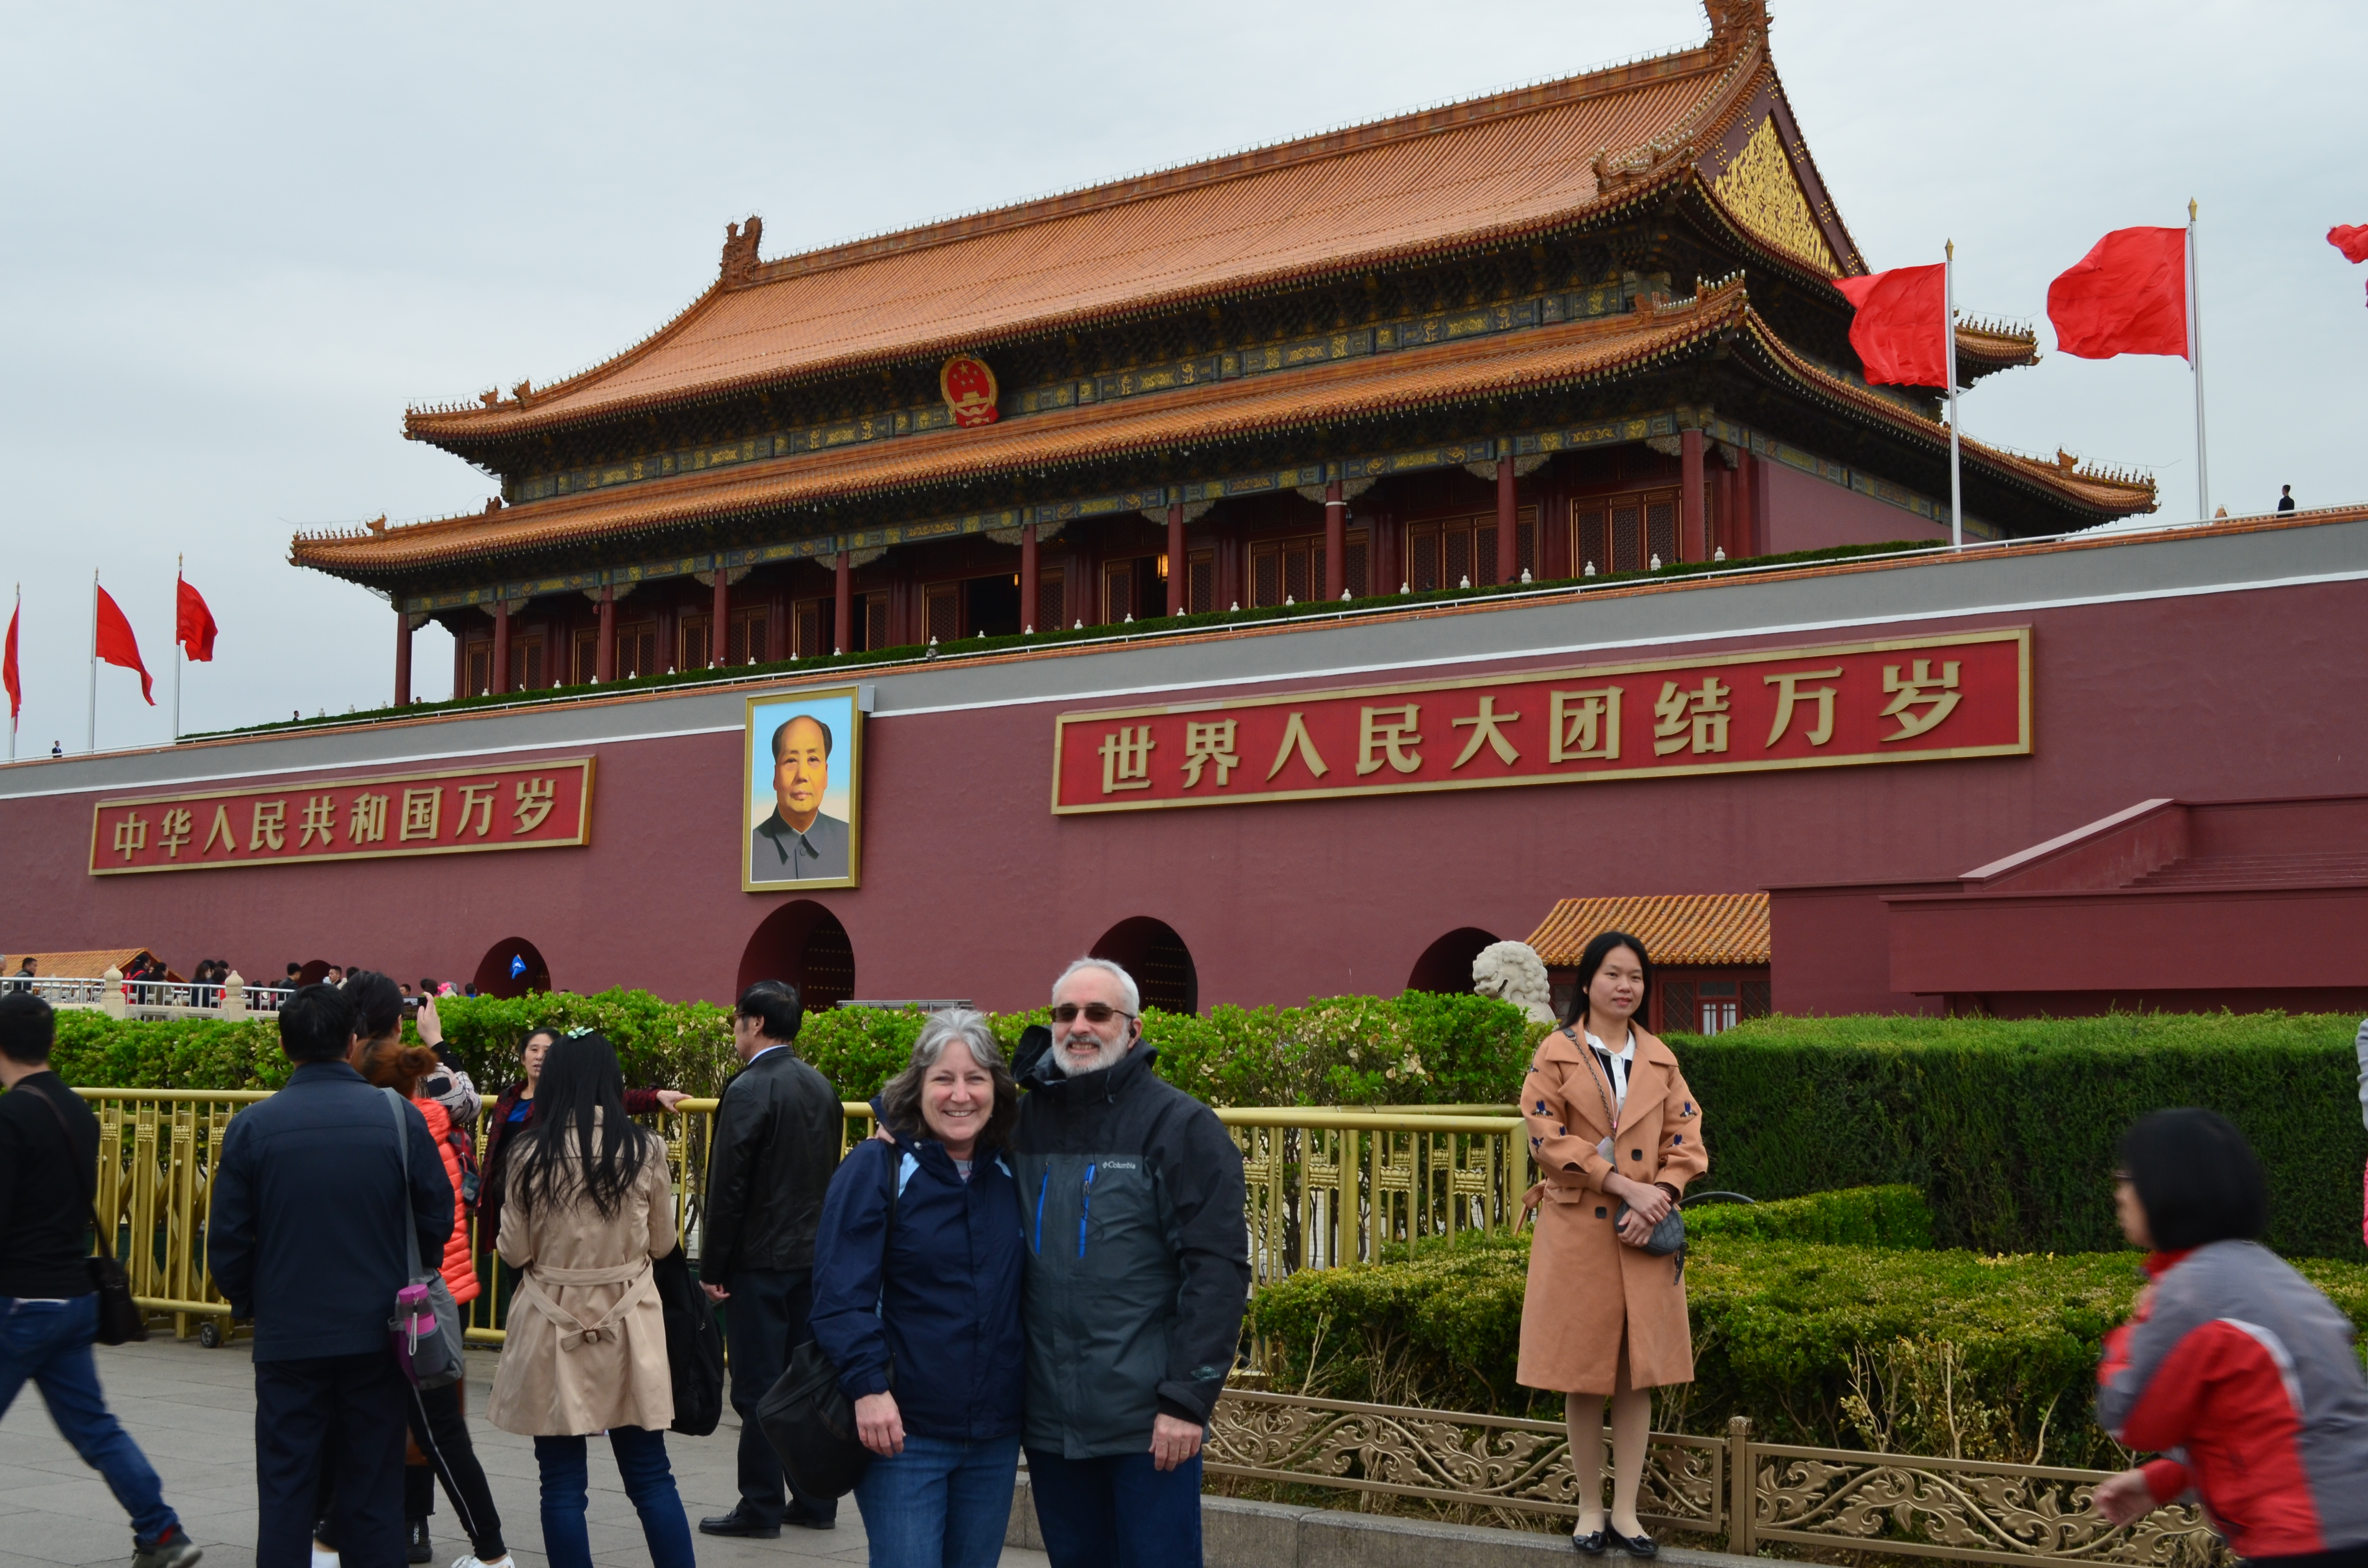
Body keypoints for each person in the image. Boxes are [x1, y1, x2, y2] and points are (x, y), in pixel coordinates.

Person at [1008, 958, 1247, 1568]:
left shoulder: (1180, 1126)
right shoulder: (1021, 1122)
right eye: (1065, 1013)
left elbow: (1216, 1274)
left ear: (1133, 1029)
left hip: (1148, 1426)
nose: (1079, 1026)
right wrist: (893, 1129)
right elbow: (943, 1123)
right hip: (1050, 1425)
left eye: (1098, 1013)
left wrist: (1186, 1403)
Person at [207, 982, 453, 1568]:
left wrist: (253, 1302)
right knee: (371, 1489)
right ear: (350, 1041)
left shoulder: (253, 1127)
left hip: (289, 1334)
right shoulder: (398, 1118)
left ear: (285, 1046)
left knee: (287, 1491)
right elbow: (436, 1218)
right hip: (379, 1333)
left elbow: (228, 1243)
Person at [2093, 1109, 2368, 1563]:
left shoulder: (2194, 1290)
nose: (2120, 1194)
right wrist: (2167, 1478)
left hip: (2304, 1540)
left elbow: (2130, 1413)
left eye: (2128, 1176)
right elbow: (2272, 1419)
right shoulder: (2262, 1273)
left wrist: (2131, 1331)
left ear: (2166, 1187)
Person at [1515, 930, 1708, 1559]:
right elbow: (1545, 1136)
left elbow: (1686, 1136)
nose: (1626, 986)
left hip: (1643, 1232)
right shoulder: (1557, 1052)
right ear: (1589, 982)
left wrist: (1665, 1195)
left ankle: (1627, 1512)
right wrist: (1624, 1184)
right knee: (1584, 1375)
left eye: (1636, 977)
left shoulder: (1660, 1057)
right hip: (1578, 1231)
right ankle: (1589, 1508)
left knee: (1636, 1376)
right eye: (1613, 974)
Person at [812, 1011, 1024, 1568]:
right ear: (918, 1086)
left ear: (996, 1090)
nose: (960, 1095)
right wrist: (867, 1389)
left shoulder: (1012, 1171)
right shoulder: (875, 1167)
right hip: (903, 1433)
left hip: (994, 1435)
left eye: (976, 1078)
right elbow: (839, 1296)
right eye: (943, 1079)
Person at [0, 993, 203, 1568]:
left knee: (93, 1426)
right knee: (96, 1428)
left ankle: (164, 1534)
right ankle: (163, 1534)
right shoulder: (77, 1112)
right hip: (72, 1297)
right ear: (52, 1044)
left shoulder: (12, 1116)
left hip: (19, 1300)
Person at [485, 1032, 694, 1568]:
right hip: (629, 1321)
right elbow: (664, 1244)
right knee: (651, 1475)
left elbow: (512, 1250)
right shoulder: (643, 1148)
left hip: (552, 1320)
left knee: (559, 1483)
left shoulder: (529, 1152)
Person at [345, 976, 511, 1568]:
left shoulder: (355, 1107)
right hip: (438, 1289)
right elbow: (465, 1095)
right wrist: (437, 1041)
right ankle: (422, 1528)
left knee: (377, 1416)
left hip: (382, 1289)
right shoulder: (435, 1112)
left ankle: (352, 1531)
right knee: (436, 1423)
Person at [698, 980, 845, 1536]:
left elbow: (728, 1187)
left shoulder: (750, 1087)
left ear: (754, 1024)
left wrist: (713, 1268)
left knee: (757, 1388)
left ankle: (759, 1506)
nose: (735, 1028)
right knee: (802, 1381)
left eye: (737, 1019)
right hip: (809, 1258)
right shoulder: (819, 1087)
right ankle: (814, 1499)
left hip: (759, 1261)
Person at [477, 1027, 685, 1267]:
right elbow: (662, 1244)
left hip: (544, 1289)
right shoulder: (648, 1148)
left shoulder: (524, 1151)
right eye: (534, 1049)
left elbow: (514, 1254)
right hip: (628, 1296)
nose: (539, 1056)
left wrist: (654, 1096)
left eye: (547, 1051)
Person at [749, 713, 850, 881]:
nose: (802, 775)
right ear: (775, 776)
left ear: (826, 775)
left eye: (812, 759)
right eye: (791, 761)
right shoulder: (750, 851)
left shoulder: (851, 842)